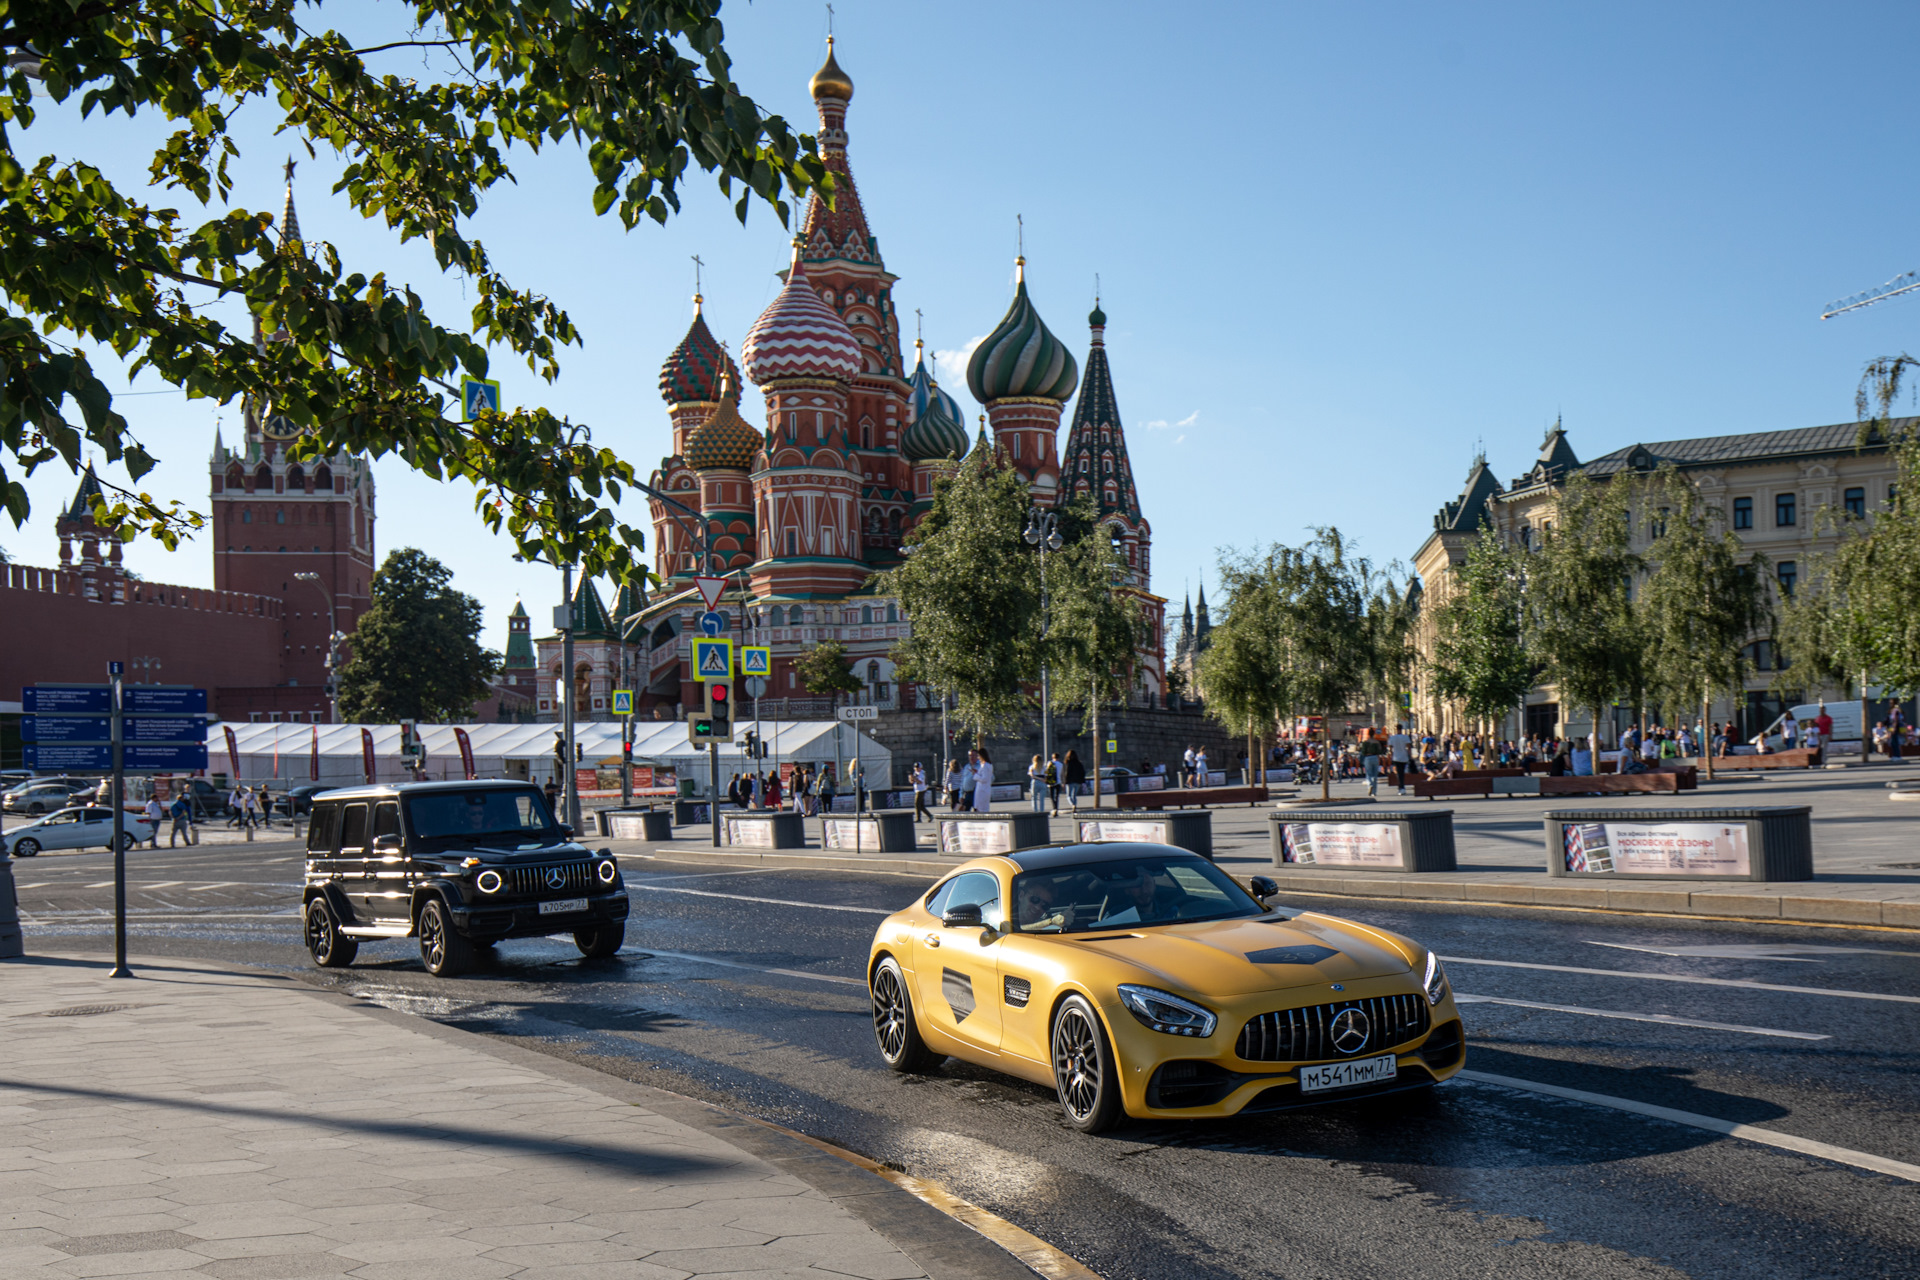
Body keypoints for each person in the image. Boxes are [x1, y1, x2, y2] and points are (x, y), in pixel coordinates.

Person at [1358, 732, 1385, 799]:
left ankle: (1370, 784)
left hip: (1368, 757)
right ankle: (1374, 792)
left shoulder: (1365, 742)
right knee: (1375, 775)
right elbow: (1380, 751)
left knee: (1368, 773)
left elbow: (1363, 752)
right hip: (1375, 757)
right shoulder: (1376, 742)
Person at [973, 748, 995, 813]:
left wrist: (975, 775)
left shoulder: (986, 765)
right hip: (982, 789)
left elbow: (984, 779)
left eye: (978, 756)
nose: (978, 757)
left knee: (982, 808)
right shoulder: (984, 765)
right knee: (979, 807)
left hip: (983, 790)